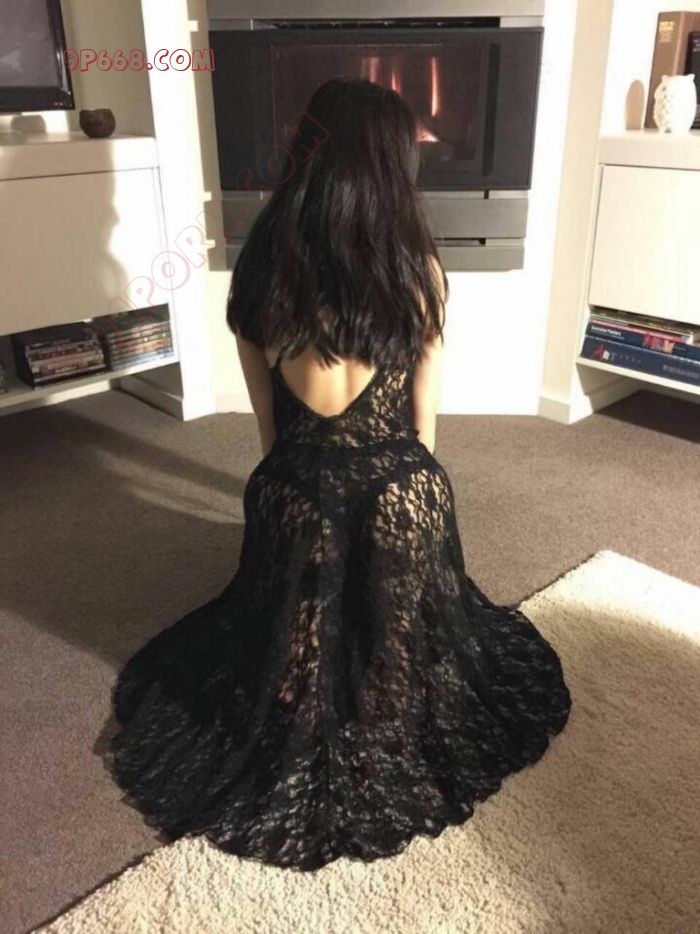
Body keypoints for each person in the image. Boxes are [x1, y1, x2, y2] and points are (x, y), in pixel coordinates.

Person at [109, 77, 572, 872]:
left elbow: (271, 433)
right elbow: (422, 429)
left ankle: (306, 666)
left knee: (297, 581)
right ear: (390, 169)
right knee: (407, 528)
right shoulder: (419, 272)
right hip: (402, 493)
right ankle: (385, 672)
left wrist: (297, 510)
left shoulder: (258, 274)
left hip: (295, 492)